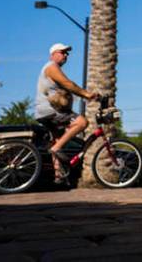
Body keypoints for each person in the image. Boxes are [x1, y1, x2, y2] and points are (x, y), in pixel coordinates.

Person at [34, 43, 98, 182]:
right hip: (50, 110)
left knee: (58, 138)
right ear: (53, 54)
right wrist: (87, 95)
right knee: (82, 122)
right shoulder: (51, 67)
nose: (66, 55)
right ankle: (56, 148)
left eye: (67, 53)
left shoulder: (50, 68)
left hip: (44, 111)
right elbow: (68, 84)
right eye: (63, 52)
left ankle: (58, 174)